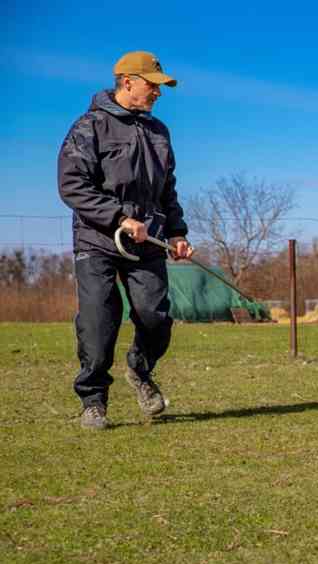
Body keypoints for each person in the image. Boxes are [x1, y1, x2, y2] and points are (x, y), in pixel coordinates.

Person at [58, 50, 193, 429]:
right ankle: (93, 399)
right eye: (153, 85)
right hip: (98, 240)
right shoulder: (90, 126)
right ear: (127, 81)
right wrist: (118, 217)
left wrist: (178, 232)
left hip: (148, 240)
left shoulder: (158, 132)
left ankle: (140, 370)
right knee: (99, 324)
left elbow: (168, 191)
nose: (158, 93)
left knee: (156, 319)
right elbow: (72, 185)